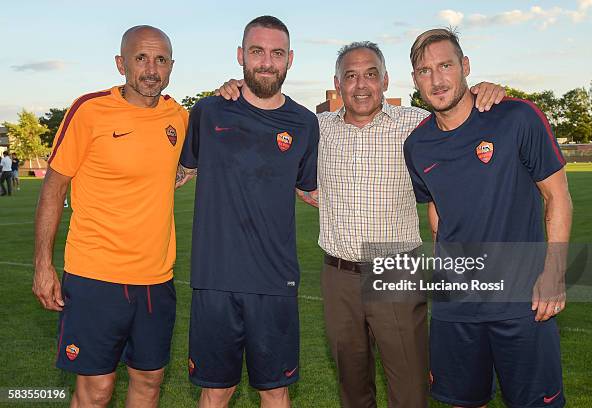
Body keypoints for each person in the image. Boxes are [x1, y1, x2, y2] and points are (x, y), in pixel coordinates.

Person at [216, 42, 505, 407]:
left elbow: (460, 112)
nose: (361, 85)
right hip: (338, 273)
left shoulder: (417, 123)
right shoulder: (314, 128)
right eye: (350, 76)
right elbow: (262, 124)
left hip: (396, 265)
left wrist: (483, 90)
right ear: (337, 85)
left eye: (370, 74)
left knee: (409, 386)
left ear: (385, 81)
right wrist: (232, 91)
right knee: (352, 386)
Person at [404, 28, 572, 408]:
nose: (437, 79)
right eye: (425, 71)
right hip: (456, 308)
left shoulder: (516, 117)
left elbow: (557, 196)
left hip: (522, 302)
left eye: (445, 65)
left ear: (464, 66)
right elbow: (437, 213)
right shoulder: (417, 145)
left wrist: (554, 273)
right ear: (415, 80)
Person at [33, 25, 188, 408]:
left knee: (150, 383)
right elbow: (53, 188)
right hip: (95, 277)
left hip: (156, 279)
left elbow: (185, 166)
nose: (151, 69)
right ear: (121, 63)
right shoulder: (90, 110)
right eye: (141, 58)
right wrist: (43, 265)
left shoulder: (179, 117)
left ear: (171, 66)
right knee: (96, 391)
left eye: (160, 60)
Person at [176, 16, 318, 408]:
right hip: (214, 280)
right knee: (216, 391)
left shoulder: (305, 123)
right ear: (241, 56)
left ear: (290, 59)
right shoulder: (208, 112)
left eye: (276, 53)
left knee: (274, 390)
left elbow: (313, 192)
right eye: (257, 52)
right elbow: (175, 173)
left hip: (274, 283)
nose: (267, 62)